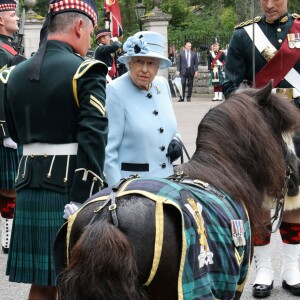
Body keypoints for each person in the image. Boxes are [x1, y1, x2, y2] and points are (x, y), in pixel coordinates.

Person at [1, 0, 108, 299]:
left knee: (43, 284)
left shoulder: (15, 73)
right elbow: (94, 137)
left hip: (29, 184)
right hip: (70, 187)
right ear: (78, 26)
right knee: (75, 283)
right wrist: (81, 196)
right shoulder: (86, 70)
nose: (89, 41)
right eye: (90, 33)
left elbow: (12, 129)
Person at [223, 0, 300, 297]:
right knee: (259, 200)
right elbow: (230, 85)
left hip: (298, 128)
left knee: (296, 200)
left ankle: (292, 267)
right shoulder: (244, 35)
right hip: (259, 129)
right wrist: (256, 107)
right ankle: (264, 268)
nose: (269, 4)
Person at [104, 31, 182, 187]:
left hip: (167, 183)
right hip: (134, 188)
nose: (145, 69)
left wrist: (176, 140)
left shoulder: (162, 85)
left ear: (158, 65)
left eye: (151, 63)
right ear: (130, 63)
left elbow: (170, 127)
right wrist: (117, 191)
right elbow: (108, 152)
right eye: (139, 61)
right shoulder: (115, 90)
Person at [0, 0, 25, 254]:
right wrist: (5, 131)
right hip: (5, 131)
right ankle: (7, 237)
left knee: (11, 187)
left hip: (14, 126)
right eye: (11, 14)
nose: (16, 18)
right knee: (8, 188)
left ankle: (9, 235)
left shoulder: (9, 46)